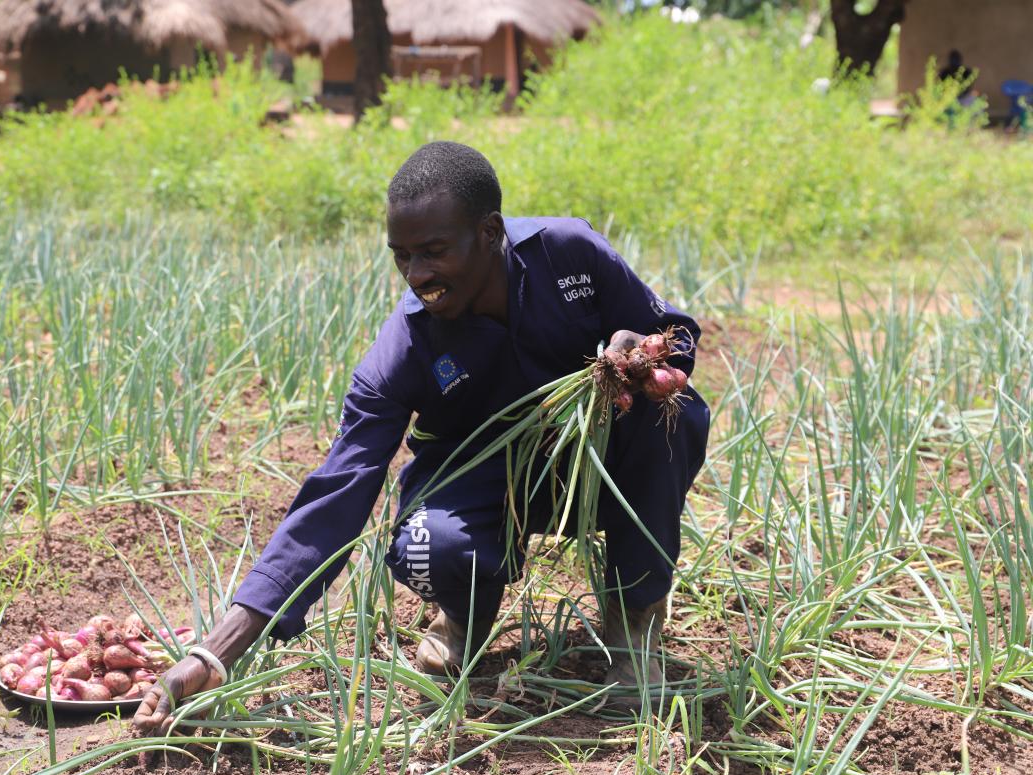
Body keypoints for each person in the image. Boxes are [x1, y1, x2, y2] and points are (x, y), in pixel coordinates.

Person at [133, 141, 710, 736]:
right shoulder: (406, 348)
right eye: (402, 256)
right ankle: (463, 617)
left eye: (434, 252)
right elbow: (337, 491)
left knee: (678, 412)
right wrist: (215, 653)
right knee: (426, 547)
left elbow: (677, 332)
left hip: (593, 468)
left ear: (490, 232)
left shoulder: (570, 256)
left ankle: (634, 616)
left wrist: (635, 349)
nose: (418, 276)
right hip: (481, 485)